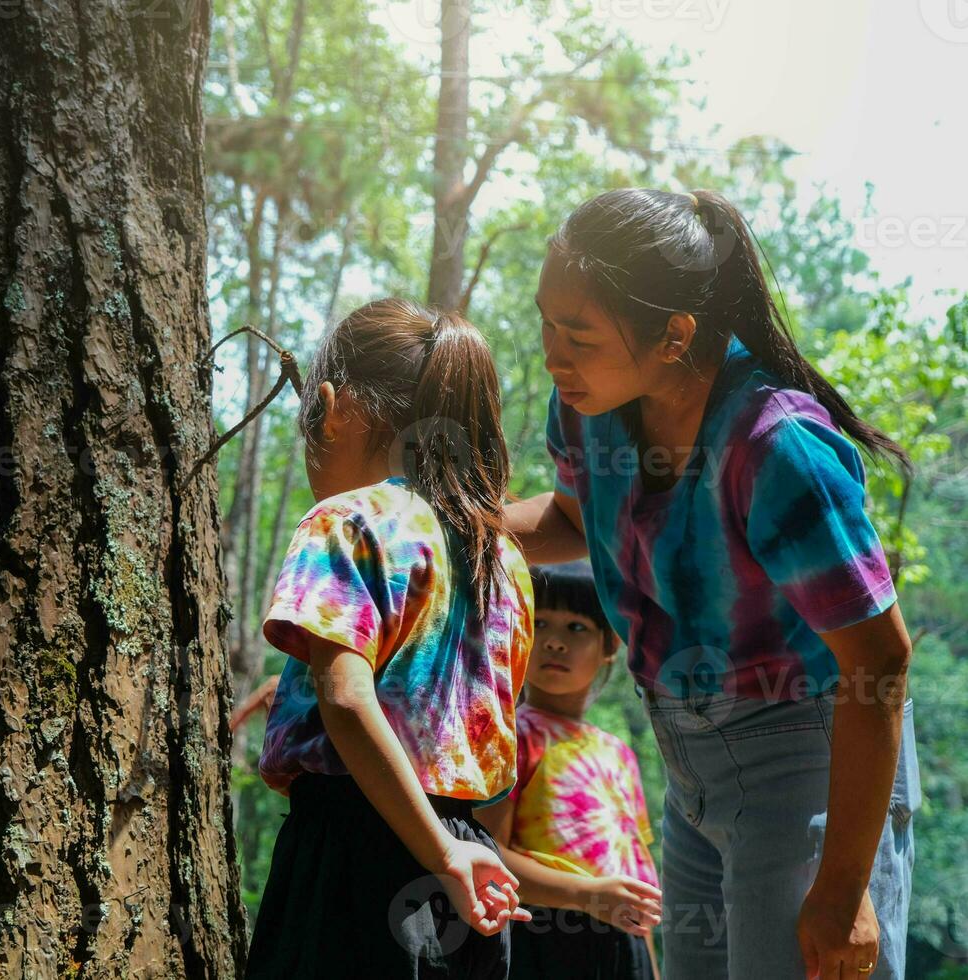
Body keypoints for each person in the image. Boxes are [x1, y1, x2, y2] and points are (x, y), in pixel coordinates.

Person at [505, 188, 920, 979]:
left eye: (579, 334)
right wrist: (458, 521)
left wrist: (841, 890)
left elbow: (880, 663)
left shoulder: (777, 449)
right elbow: (569, 518)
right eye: (546, 323)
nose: (553, 354)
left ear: (675, 335)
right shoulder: (591, 407)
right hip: (689, 771)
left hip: (811, 764)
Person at [246, 298, 535, 979]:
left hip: (352, 855)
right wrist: (448, 852)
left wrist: (436, 851)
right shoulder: (502, 560)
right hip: (464, 866)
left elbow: (348, 701)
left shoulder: (345, 521)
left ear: (331, 405)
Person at [474, 560, 662, 980]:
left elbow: (633, 872)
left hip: (623, 941)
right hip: (542, 935)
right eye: (539, 624)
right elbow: (487, 855)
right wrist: (584, 894)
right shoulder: (509, 736)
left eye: (577, 627)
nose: (555, 642)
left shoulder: (617, 752)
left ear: (609, 646)